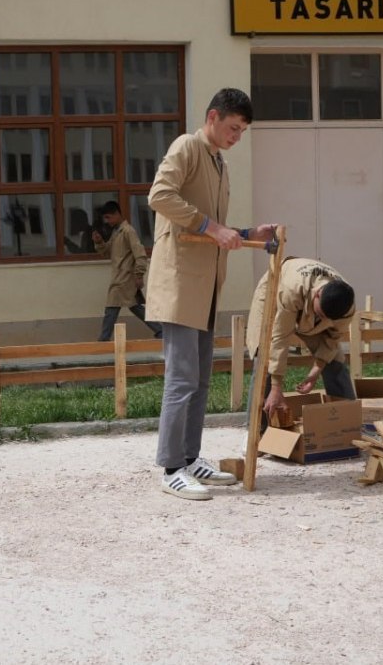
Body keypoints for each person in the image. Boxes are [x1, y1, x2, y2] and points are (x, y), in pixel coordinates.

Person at [144, 87, 277, 501]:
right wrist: (212, 228)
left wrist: (244, 234)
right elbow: (159, 196)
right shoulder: (187, 146)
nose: (237, 137)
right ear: (213, 117)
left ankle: (189, 457)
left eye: (242, 131)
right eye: (233, 128)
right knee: (181, 378)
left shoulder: (218, 162)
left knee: (200, 380)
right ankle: (171, 468)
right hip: (181, 285)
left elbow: (212, 227)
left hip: (205, 288)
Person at [245, 258, 357, 421]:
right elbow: (280, 337)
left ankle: (347, 423)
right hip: (277, 288)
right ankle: (257, 432)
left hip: (307, 300)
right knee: (264, 356)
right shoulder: (291, 288)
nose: (321, 319)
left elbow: (331, 340)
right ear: (318, 294)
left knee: (335, 360)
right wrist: (276, 388)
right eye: (320, 315)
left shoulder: (347, 308)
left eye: (326, 318)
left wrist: (315, 372)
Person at [92, 201, 162, 341]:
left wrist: (139, 274)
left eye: (108, 217)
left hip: (125, 279)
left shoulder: (128, 231)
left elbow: (140, 254)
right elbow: (107, 252)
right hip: (120, 278)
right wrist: (99, 242)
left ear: (117, 214)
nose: (107, 221)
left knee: (111, 309)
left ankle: (103, 341)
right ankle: (161, 331)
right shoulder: (117, 232)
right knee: (135, 307)